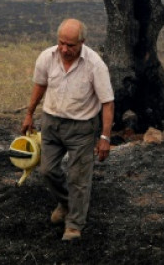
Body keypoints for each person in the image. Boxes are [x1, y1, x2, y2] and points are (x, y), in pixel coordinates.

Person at [20, 18, 115, 241]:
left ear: (83, 42)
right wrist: (29, 113)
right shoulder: (47, 57)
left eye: (71, 45)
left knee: (78, 178)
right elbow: (40, 85)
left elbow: (108, 103)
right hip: (51, 123)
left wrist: (105, 137)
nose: (64, 49)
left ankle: (74, 224)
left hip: (82, 127)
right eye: (61, 43)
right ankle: (66, 203)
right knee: (47, 171)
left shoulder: (95, 65)